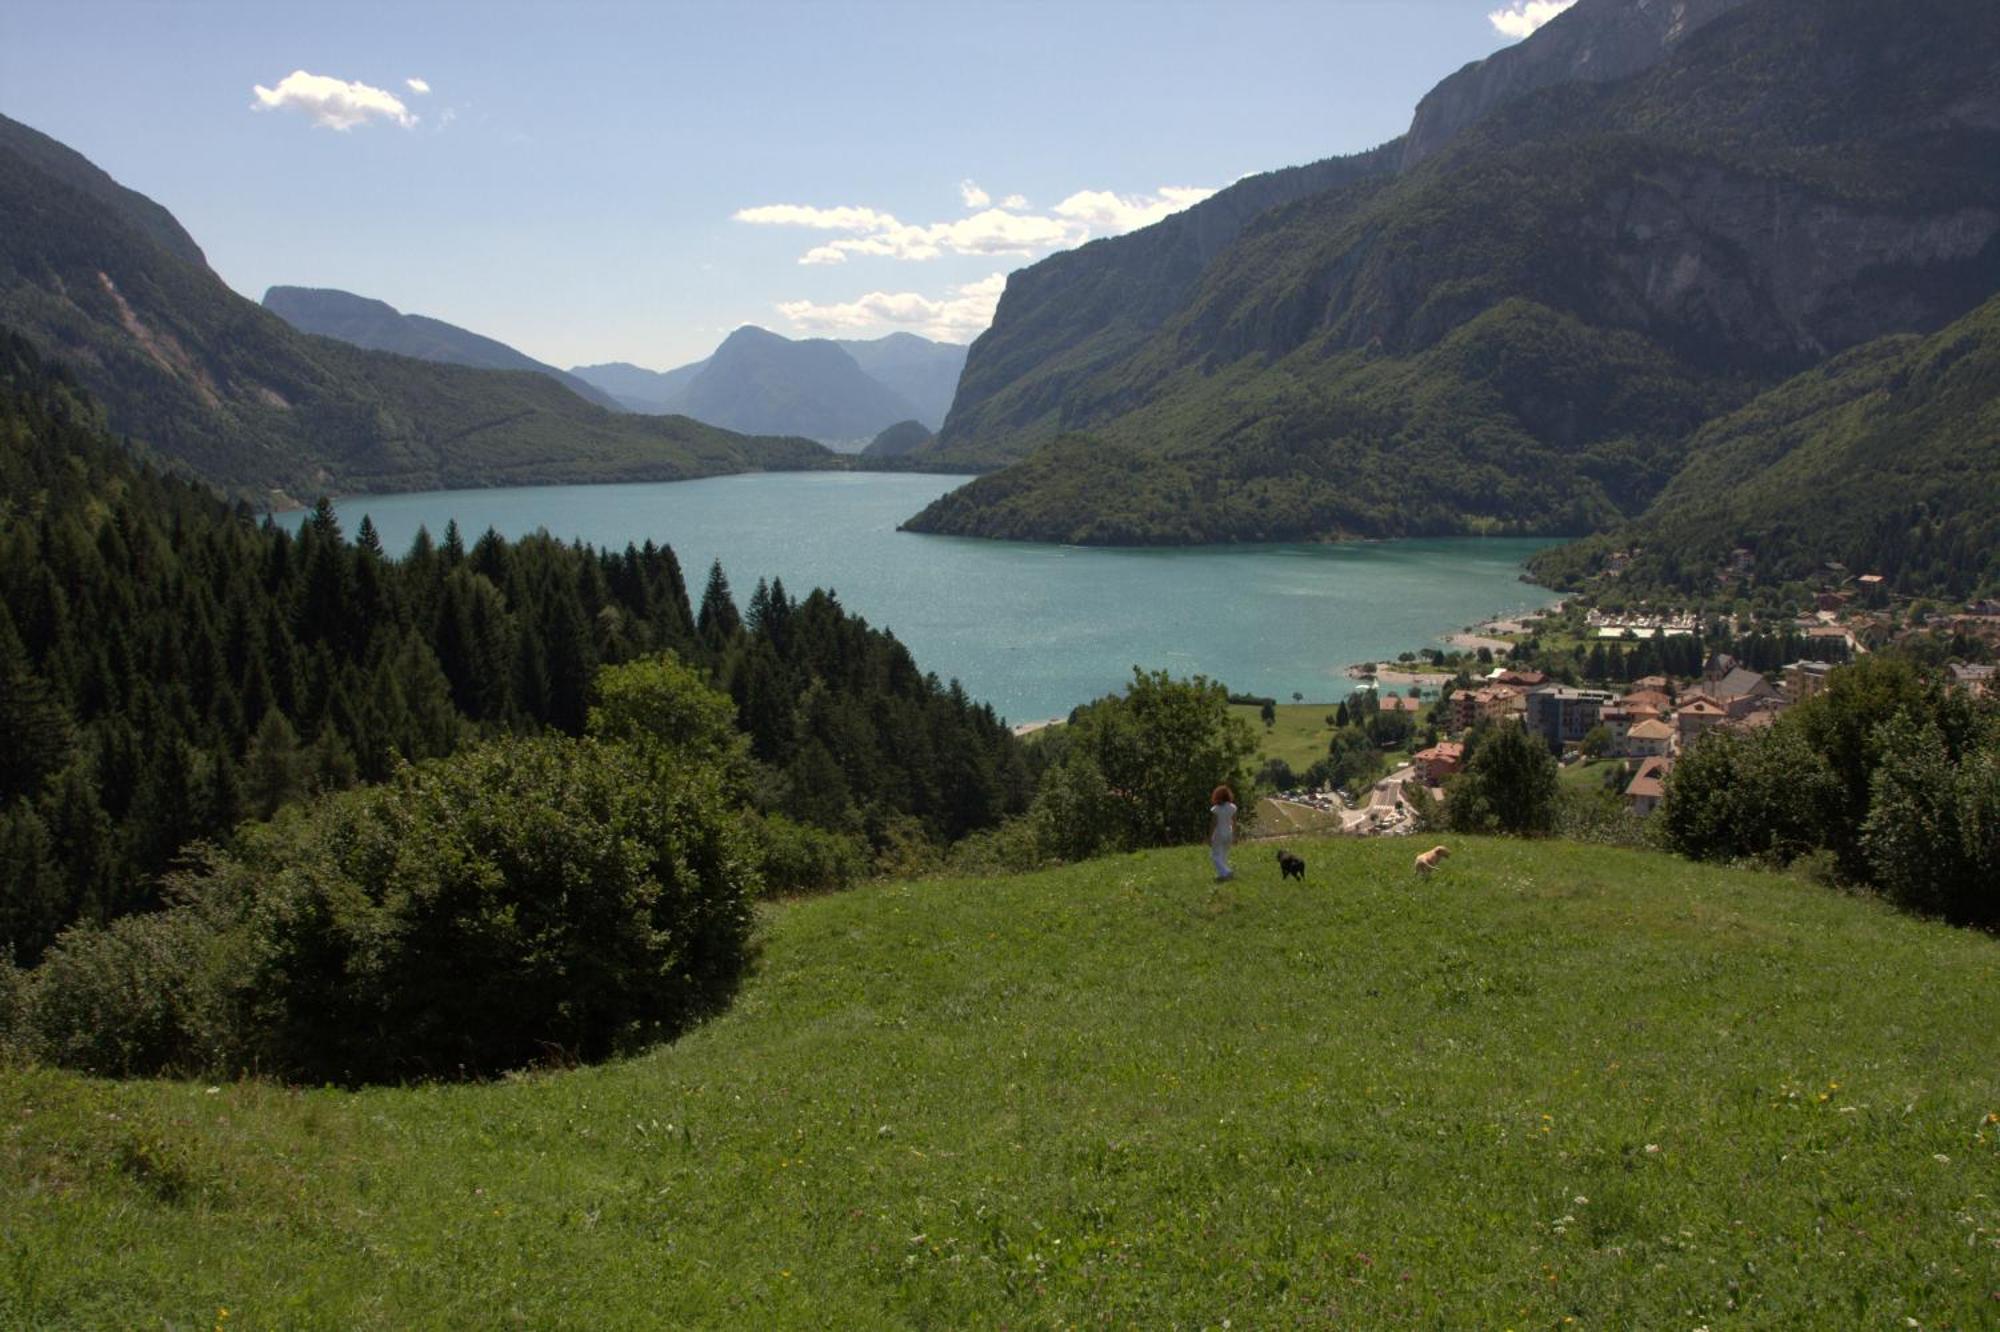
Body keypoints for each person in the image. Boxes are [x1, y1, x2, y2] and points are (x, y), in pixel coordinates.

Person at [1207, 784, 1237, 881]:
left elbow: (1213, 824)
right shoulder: (1232, 807)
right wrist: (1235, 835)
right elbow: (1234, 822)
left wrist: (1209, 836)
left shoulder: (1216, 809)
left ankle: (1226, 871)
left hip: (1219, 833)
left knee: (1215, 855)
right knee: (1223, 854)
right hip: (1229, 832)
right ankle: (1222, 875)